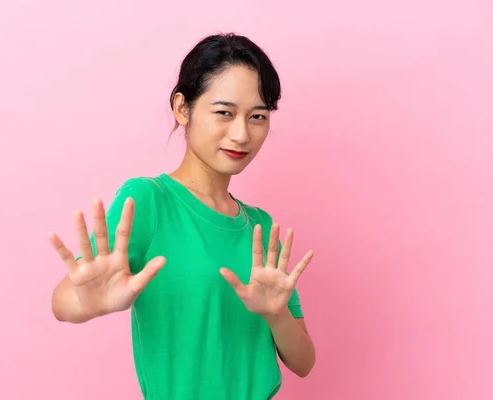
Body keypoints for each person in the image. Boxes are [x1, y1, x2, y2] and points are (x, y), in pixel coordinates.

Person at [49, 32, 316, 400]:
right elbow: (62, 302)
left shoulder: (260, 226)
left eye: (257, 116)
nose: (241, 134)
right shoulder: (148, 202)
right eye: (224, 112)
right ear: (182, 107)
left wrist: (275, 314)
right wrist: (86, 301)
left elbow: (303, 362)